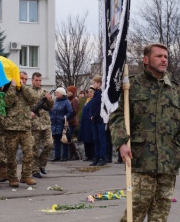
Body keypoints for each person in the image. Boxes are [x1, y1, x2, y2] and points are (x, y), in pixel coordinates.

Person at [110, 43, 180, 222]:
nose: (164, 59)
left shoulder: (174, 88)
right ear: (146, 60)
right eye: (159, 56)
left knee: (160, 216)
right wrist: (122, 143)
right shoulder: (131, 85)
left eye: (165, 56)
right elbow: (117, 116)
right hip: (141, 160)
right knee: (134, 214)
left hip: (168, 163)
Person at [3, 71, 38, 187]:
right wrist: (13, 86)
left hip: (25, 127)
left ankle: (26, 176)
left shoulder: (26, 91)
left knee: (29, 153)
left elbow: (33, 99)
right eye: (21, 78)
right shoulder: (9, 89)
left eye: (25, 79)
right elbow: (8, 102)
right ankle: (13, 178)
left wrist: (22, 86)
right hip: (11, 128)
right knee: (11, 155)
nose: (23, 80)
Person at [30, 72, 53, 179]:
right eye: (36, 80)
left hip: (46, 123)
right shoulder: (28, 91)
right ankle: (34, 169)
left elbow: (51, 107)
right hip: (34, 124)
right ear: (32, 80)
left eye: (40, 80)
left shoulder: (45, 92)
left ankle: (42, 164)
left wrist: (50, 99)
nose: (38, 82)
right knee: (34, 148)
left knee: (49, 144)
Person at [50, 87, 73, 162]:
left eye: (57, 92)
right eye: (56, 92)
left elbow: (70, 112)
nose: (56, 94)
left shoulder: (67, 102)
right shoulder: (55, 102)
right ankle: (57, 156)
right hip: (55, 124)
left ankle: (65, 156)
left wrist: (64, 118)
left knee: (64, 140)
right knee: (56, 141)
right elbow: (52, 111)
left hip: (62, 124)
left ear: (62, 94)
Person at [89, 75, 107, 166]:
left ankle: (102, 158)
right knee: (95, 139)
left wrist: (94, 115)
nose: (93, 84)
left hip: (100, 119)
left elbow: (100, 107)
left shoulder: (102, 93)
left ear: (99, 83)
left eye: (95, 83)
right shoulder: (96, 93)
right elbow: (93, 106)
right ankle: (96, 157)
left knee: (101, 139)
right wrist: (91, 115)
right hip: (94, 119)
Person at [77, 86, 95, 161]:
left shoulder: (94, 101)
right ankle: (87, 155)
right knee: (85, 139)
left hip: (90, 123)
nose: (89, 94)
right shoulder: (87, 101)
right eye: (88, 92)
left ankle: (92, 155)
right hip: (84, 123)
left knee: (91, 139)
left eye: (91, 92)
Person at [66, 86, 80, 160]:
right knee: (69, 138)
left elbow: (74, 111)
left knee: (70, 138)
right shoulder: (70, 100)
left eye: (69, 91)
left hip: (72, 122)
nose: (67, 93)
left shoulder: (74, 100)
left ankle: (75, 154)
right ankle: (72, 155)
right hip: (70, 121)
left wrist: (67, 116)